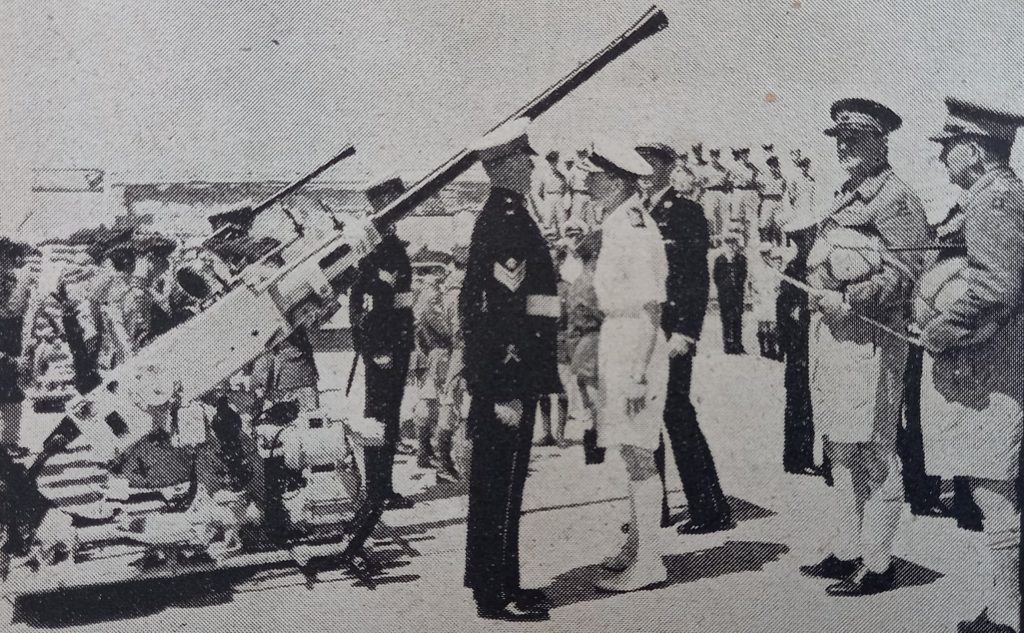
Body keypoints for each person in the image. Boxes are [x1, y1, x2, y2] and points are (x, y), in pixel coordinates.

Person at [799, 98, 929, 596]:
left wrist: (851, 298)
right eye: (840, 138)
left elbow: (908, 270)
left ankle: (877, 562)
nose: (844, 146)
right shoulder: (847, 193)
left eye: (855, 137)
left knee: (874, 449)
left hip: (871, 340)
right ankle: (849, 547)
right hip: (835, 338)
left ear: (881, 139)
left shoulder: (895, 198)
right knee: (840, 446)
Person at [915, 98, 1024, 633]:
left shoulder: (991, 200)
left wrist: (938, 331)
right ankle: (1004, 605)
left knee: (992, 490)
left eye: (949, 146)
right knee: (995, 487)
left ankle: (1005, 615)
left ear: (976, 150)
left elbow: (996, 287)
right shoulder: (1001, 192)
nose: (942, 157)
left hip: (992, 366)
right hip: (997, 358)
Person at [459, 118, 560, 621]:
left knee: (505, 483)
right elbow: (497, 313)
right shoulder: (505, 221)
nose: (531, 166)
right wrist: (502, 389)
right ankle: (494, 593)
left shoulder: (511, 214)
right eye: (524, 159)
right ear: (503, 166)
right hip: (508, 375)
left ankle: (503, 580)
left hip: (516, 372)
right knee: (498, 485)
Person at [581, 140, 668, 592]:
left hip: (636, 341)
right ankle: (637, 546)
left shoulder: (633, 227)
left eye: (593, 175)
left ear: (616, 182)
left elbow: (652, 306)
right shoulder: (618, 220)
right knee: (629, 451)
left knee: (639, 454)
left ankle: (650, 561)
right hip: (619, 337)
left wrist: (637, 372)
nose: (585, 181)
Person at [634, 141, 733, 534]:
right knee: (646, 416)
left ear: (667, 166)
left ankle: (710, 509)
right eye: (639, 162)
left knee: (676, 413)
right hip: (645, 330)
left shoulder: (686, 211)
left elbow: (695, 278)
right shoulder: (638, 212)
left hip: (673, 331)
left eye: (650, 162)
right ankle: (653, 507)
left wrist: (687, 332)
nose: (643, 170)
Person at [349, 177, 417, 509]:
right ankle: (378, 491)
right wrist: (378, 349)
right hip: (386, 347)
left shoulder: (386, 245)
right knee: (379, 417)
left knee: (387, 415)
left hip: (393, 344)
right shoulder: (380, 249)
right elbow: (371, 303)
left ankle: (382, 487)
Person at [776, 216, 819, 475]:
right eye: (801, 239)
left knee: (812, 401)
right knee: (798, 401)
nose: (806, 242)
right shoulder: (794, 269)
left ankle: (810, 457)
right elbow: (783, 308)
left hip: (810, 344)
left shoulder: (814, 265)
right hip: (799, 347)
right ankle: (796, 458)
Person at [567, 230, 603, 464]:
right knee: (596, 400)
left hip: (585, 345)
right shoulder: (589, 283)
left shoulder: (580, 281)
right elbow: (601, 313)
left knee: (593, 399)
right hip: (593, 344)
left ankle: (595, 447)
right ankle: (595, 447)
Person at [0, 238, 35, 457]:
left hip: (10, 355)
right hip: (6, 356)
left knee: (12, 398)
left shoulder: (14, 309)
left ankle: (10, 443)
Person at [713, 233, 747, 355]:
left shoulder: (741, 259)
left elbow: (743, 275)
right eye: (729, 243)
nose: (732, 246)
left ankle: (738, 344)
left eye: (734, 244)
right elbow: (716, 277)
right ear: (725, 245)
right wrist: (724, 287)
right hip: (725, 295)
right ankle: (728, 345)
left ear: (737, 245)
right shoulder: (720, 260)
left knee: (737, 318)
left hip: (737, 293)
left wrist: (737, 285)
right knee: (726, 319)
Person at [532, 150, 570, 235]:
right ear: (548, 162)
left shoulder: (561, 176)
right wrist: (546, 200)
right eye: (551, 161)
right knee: (548, 220)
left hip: (559, 197)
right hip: (549, 197)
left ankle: (562, 237)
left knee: (561, 219)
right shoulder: (544, 175)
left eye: (555, 161)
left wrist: (563, 199)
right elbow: (539, 191)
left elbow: (565, 190)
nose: (553, 164)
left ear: (557, 161)